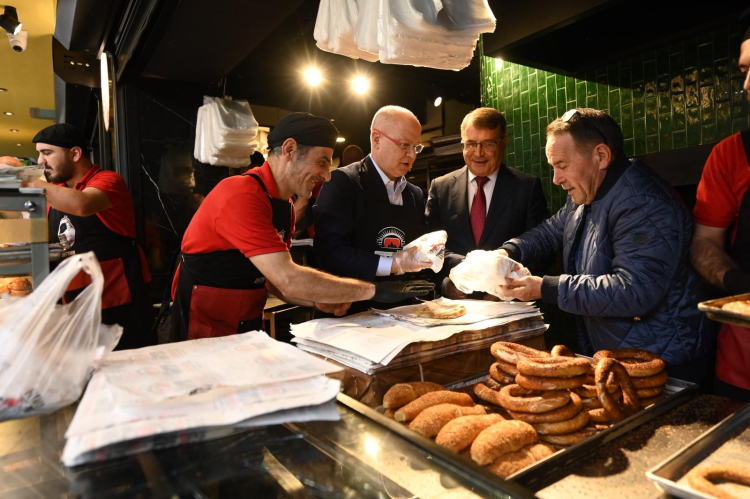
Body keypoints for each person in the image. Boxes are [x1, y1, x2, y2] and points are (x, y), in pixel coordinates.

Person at [169, 112, 433, 341]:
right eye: (322, 162)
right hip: (204, 328)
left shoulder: (286, 207)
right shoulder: (241, 193)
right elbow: (288, 278)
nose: (327, 176)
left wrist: (317, 299)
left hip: (246, 325)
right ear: (289, 150)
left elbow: (273, 282)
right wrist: (377, 290)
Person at [497, 108, 712, 383]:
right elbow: (551, 231)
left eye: (562, 165)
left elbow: (634, 290)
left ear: (601, 156)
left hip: (663, 364)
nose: (556, 179)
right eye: (553, 167)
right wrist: (508, 251)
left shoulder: (644, 203)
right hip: (620, 359)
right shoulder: (587, 192)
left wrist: (546, 288)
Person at [32, 123, 153, 350]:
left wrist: (22, 179)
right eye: (39, 154)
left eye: (47, 153)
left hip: (116, 300)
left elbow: (83, 204)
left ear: (75, 154)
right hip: (74, 299)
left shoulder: (108, 181)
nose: (40, 161)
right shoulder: (56, 192)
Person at [313, 106, 433, 308]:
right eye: (404, 145)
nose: (412, 155)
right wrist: (394, 264)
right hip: (350, 309)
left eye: (416, 147)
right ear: (377, 139)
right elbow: (330, 252)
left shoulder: (414, 194)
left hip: (403, 310)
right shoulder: (343, 182)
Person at [689, 8, 750, 401]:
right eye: (744, 70)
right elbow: (703, 244)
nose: (746, 84)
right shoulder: (731, 155)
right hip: (742, 371)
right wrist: (738, 285)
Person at [426, 107, 549, 295]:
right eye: (471, 144)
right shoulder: (440, 187)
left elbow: (540, 250)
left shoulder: (527, 187)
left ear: (504, 143)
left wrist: (512, 288)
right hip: (454, 302)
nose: (478, 153)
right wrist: (446, 284)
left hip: (508, 302)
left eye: (488, 144)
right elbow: (429, 248)